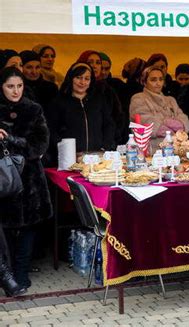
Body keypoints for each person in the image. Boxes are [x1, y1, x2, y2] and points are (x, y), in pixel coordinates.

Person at [0, 67, 52, 292]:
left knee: (29, 226)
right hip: (2, 178)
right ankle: (8, 273)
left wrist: (10, 139)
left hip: (29, 179)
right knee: (5, 227)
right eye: (10, 86)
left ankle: (22, 271)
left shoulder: (33, 109)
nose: (15, 91)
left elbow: (40, 145)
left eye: (19, 86)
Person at [47, 62, 115, 156]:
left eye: (87, 78)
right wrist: (65, 151)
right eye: (78, 77)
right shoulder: (59, 102)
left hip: (96, 157)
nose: (82, 82)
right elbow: (52, 130)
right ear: (71, 78)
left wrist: (104, 148)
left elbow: (109, 125)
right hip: (69, 158)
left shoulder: (98, 100)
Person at [129, 66, 189, 152]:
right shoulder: (138, 98)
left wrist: (166, 123)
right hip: (151, 151)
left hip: (176, 150)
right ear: (144, 82)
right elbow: (147, 124)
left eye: (161, 79)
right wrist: (170, 124)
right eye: (153, 80)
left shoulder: (171, 100)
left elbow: (184, 120)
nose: (158, 83)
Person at [76, 50, 127, 145]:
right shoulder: (73, 90)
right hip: (78, 146)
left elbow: (117, 118)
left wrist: (111, 142)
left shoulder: (107, 90)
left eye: (98, 63)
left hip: (104, 147)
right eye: (90, 62)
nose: (94, 66)